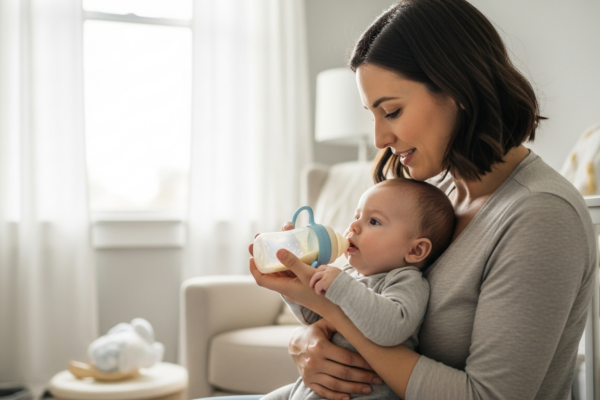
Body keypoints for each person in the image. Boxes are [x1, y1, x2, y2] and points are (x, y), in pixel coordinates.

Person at [201, 0, 596, 399]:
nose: (379, 139)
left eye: (391, 111)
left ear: (458, 89)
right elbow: (362, 305)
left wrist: (336, 314)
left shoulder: (541, 215)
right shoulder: (432, 195)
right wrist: (308, 342)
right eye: (372, 115)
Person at [262, 178, 455, 400]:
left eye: (373, 221)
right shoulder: (347, 274)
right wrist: (292, 285)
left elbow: (393, 328)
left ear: (416, 250)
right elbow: (313, 317)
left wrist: (342, 288)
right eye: (356, 217)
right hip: (314, 388)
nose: (353, 226)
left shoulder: (404, 280)